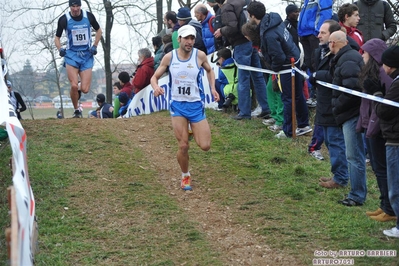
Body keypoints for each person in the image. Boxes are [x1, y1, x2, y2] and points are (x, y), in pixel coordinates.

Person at [150, 25, 219, 191]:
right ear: (179, 39)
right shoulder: (169, 57)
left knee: (205, 146)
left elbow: (210, 71)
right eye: (186, 38)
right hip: (178, 106)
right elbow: (154, 77)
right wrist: (155, 87)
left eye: (192, 38)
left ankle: (191, 129)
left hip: (195, 105)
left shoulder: (200, 56)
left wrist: (213, 88)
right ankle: (185, 175)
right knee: (183, 146)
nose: (189, 42)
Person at [247, 1, 311, 138]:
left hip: (287, 66)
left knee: (288, 98)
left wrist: (274, 69)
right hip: (294, 58)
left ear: (252, 16)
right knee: (298, 95)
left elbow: (278, 56)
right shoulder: (273, 20)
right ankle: (303, 124)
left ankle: (288, 131)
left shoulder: (268, 33)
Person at [328, 31, 367, 206]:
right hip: (348, 112)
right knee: (353, 155)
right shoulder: (345, 57)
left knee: (354, 156)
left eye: (329, 42)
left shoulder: (349, 59)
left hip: (351, 113)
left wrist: (338, 106)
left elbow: (352, 89)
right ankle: (356, 191)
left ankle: (357, 194)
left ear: (336, 43)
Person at [357, 39, 395, 222]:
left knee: (382, 169)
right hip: (369, 124)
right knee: (378, 169)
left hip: (380, 128)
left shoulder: (384, 74)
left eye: (364, 52)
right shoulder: (371, 73)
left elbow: (386, 104)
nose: (361, 56)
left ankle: (390, 208)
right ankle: (384, 204)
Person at [214, 0, 271, 120]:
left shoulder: (227, 7)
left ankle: (244, 112)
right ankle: (266, 108)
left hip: (240, 43)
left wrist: (221, 31)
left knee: (243, 78)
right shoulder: (242, 2)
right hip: (252, 41)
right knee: (258, 76)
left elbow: (232, 27)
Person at [54, 0, 102, 118]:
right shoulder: (64, 19)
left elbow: (99, 30)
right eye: (73, 6)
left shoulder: (88, 16)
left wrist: (95, 45)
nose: (75, 9)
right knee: (74, 86)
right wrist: (60, 49)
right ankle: (76, 110)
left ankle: (77, 88)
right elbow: (57, 38)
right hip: (71, 56)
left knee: (85, 89)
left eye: (77, 6)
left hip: (86, 56)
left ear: (80, 6)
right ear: (70, 7)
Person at [375, 45, 399, 237]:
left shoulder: (397, 84)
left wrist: (377, 95)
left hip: (395, 139)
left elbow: (384, 110)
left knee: (395, 187)